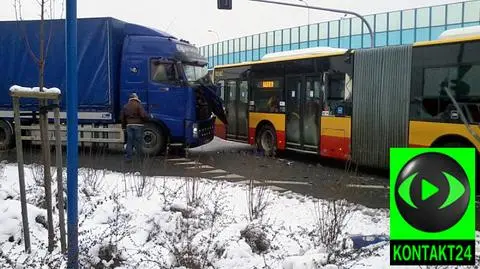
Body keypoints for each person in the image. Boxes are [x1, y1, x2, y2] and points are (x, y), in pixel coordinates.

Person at [120, 93, 149, 161]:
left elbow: (122, 118)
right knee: (138, 142)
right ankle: (140, 158)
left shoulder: (126, 106)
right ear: (136, 98)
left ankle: (128, 158)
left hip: (129, 126)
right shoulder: (138, 105)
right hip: (138, 126)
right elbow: (143, 115)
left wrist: (123, 126)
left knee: (129, 142)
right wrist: (147, 120)